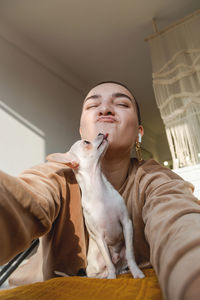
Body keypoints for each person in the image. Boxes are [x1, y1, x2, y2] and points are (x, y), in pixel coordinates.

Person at [0, 81, 200, 300]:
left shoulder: (156, 179)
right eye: (93, 106)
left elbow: (180, 223)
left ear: (139, 133)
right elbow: (22, 199)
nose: (105, 109)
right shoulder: (56, 176)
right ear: (82, 131)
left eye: (122, 104)